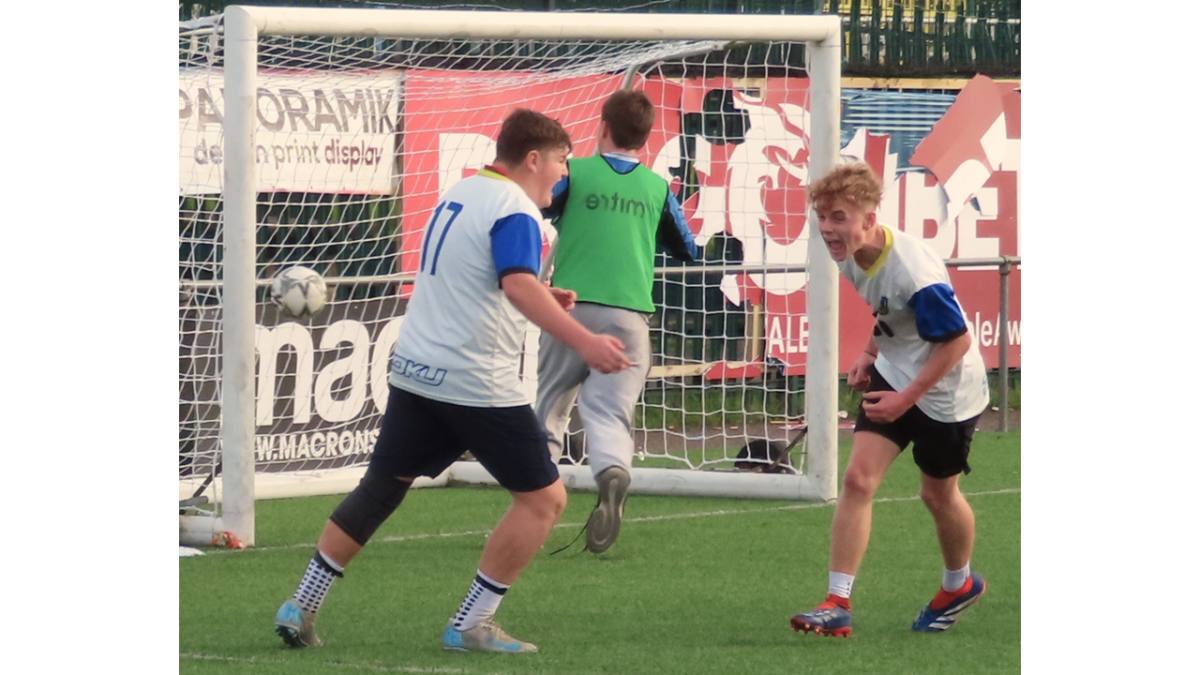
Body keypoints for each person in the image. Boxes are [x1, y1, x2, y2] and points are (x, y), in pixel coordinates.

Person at [273, 108, 631, 654]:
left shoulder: (462, 192)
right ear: (533, 158)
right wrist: (584, 341)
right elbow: (515, 284)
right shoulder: (515, 208)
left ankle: (300, 604)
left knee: (381, 488)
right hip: (476, 381)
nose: (564, 173)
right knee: (544, 501)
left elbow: (481, 277)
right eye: (562, 161)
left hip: (417, 370)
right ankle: (471, 623)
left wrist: (543, 293)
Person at [789, 162, 990, 637]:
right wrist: (869, 352)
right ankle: (837, 602)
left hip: (946, 393)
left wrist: (906, 399)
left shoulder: (915, 272)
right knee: (858, 479)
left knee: (937, 495)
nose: (827, 228)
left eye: (838, 217)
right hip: (896, 372)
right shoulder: (847, 251)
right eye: (822, 216)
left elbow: (957, 342)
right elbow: (888, 310)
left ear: (869, 218)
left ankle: (958, 584)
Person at [535, 89, 699, 554]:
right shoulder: (656, 188)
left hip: (570, 309)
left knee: (550, 407)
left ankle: (535, 500)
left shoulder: (575, 173)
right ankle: (611, 468)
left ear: (602, 126)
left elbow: (541, 202)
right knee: (609, 412)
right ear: (646, 138)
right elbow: (687, 247)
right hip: (629, 316)